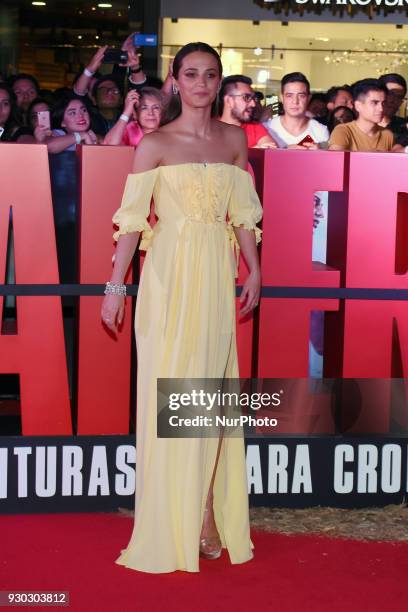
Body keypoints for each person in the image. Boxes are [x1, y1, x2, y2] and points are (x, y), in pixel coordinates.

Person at [101, 41, 262, 573]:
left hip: (216, 276)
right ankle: (177, 517)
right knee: (172, 397)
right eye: (190, 74)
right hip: (168, 279)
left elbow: (243, 214)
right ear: (175, 80)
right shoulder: (154, 143)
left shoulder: (235, 139)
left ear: (220, 83)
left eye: (210, 75)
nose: (200, 83)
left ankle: (206, 515)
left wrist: (254, 268)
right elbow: (130, 222)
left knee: (212, 395)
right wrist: (115, 286)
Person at [263, 72, 330, 149]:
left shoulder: (320, 131)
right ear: (282, 98)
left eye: (301, 96)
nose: (295, 101)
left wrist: (319, 153)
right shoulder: (267, 128)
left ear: (308, 98)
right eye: (289, 96)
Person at [329, 79, 394, 152]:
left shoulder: (387, 135)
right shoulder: (343, 131)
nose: (381, 109)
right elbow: (336, 161)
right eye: (374, 103)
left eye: (384, 103)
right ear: (358, 106)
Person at [219, 75, 277, 148]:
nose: (253, 104)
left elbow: (270, 150)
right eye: (246, 97)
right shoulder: (209, 129)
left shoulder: (254, 127)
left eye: (253, 98)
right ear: (229, 100)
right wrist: (253, 151)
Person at [378, 73, 408, 141]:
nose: (393, 100)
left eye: (399, 97)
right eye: (390, 93)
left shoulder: (404, 127)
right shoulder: (356, 123)